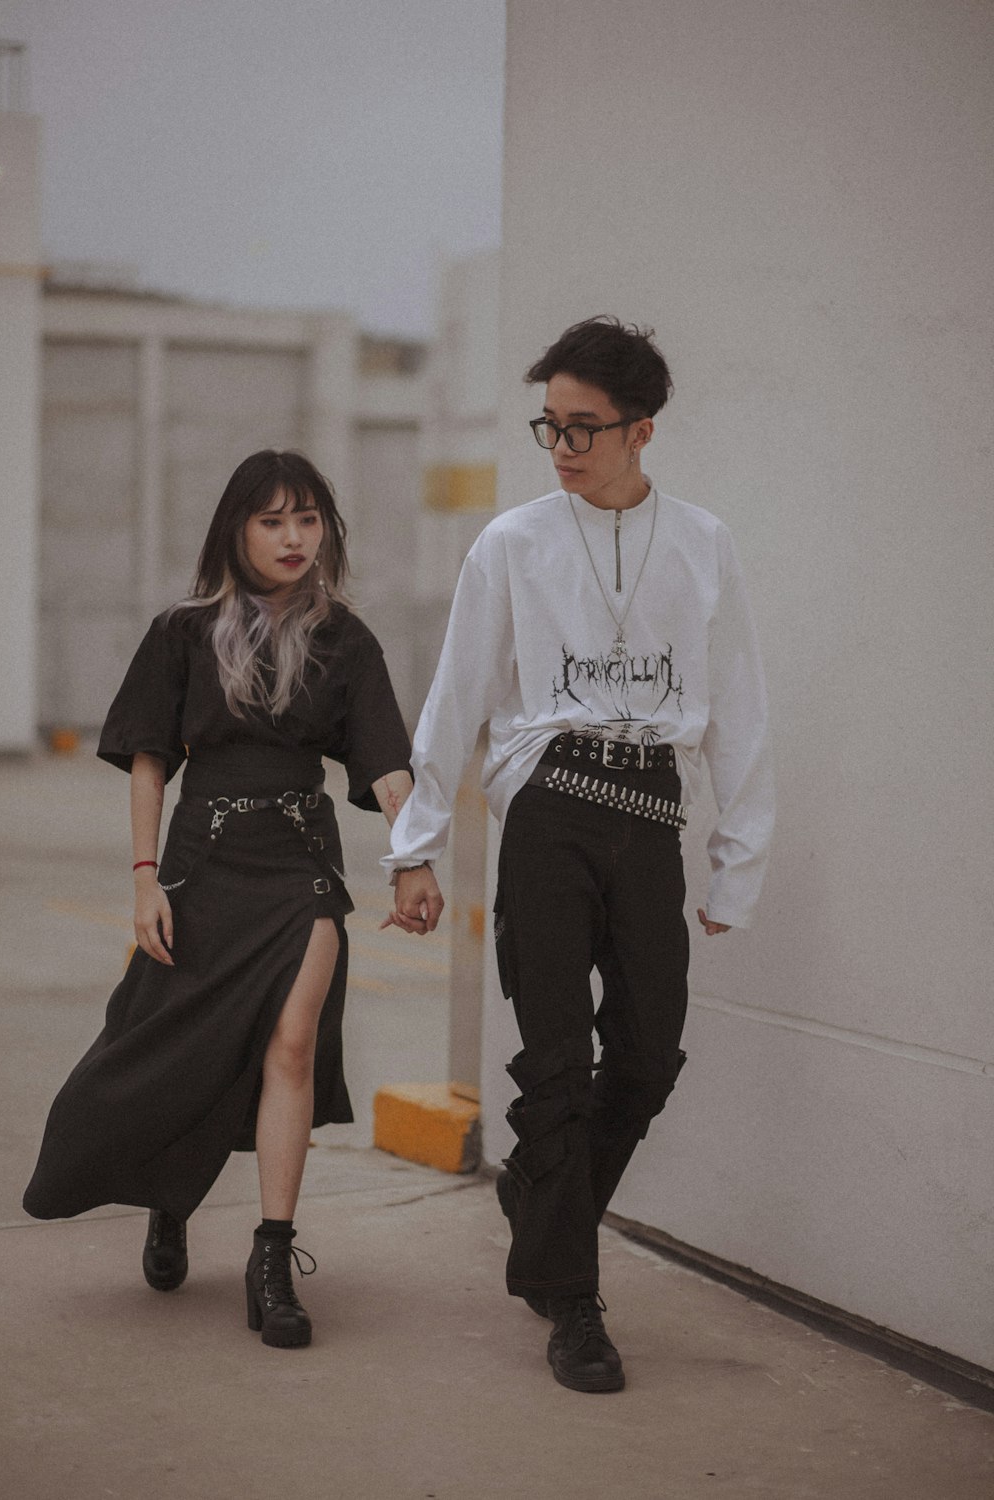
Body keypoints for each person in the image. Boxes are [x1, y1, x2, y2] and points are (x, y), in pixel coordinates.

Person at [384, 317, 774, 1393]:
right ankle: (575, 1304)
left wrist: (739, 859)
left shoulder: (702, 543)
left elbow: (739, 703)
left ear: (641, 430)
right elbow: (455, 695)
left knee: (646, 1059)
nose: (560, 445)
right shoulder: (511, 543)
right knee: (555, 1066)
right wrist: (411, 847)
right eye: (547, 425)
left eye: (583, 427)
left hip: (649, 810)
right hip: (549, 805)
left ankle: (542, 1208)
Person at [24, 449, 414, 1350]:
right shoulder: (183, 631)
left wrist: (411, 844)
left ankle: (271, 1256)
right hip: (203, 864)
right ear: (236, 529)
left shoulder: (346, 638)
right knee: (172, 1051)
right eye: (273, 520)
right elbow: (152, 756)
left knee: (291, 1046)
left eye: (309, 520)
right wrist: (140, 878)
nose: (293, 538)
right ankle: (170, 1198)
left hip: (302, 866)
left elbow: (384, 758)